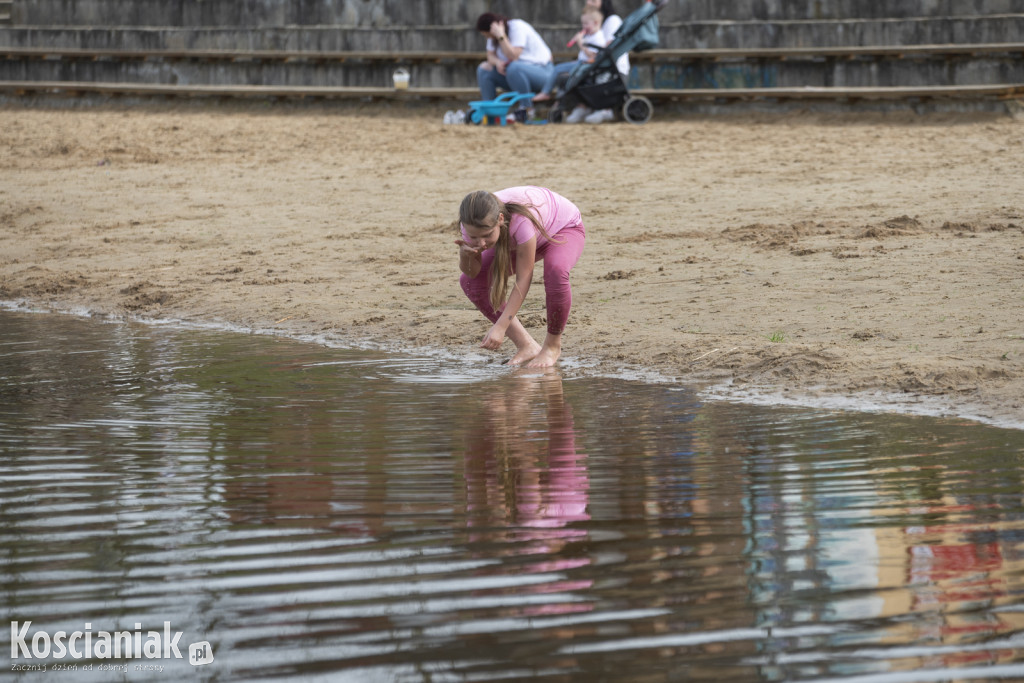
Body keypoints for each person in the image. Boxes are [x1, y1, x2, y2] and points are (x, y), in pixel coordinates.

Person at [455, 186, 586, 368]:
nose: (481, 243)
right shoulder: (470, 226)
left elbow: (523, 279)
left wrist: (500, 327)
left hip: (562, 229)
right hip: (517, 239)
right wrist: (465, 255)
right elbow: (472, 273)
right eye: (474, 237)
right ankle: (527, 346)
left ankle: (552, 346)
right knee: (470, 282)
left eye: (486, 236)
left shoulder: (520, 222)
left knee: (555, 271)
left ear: (500, 219)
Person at [532, 7, 607, 106]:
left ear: (596, 23)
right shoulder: (590, 35)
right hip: (580, 63)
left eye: (586, 23)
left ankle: (546, 92)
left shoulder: (598, 37)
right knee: (561, 76)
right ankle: (559, 101)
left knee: (557, 69)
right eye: (582, 23)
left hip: (585, 66)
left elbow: (592, 55)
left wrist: (580, 42)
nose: (583, 26)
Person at [475, 12, 554, 101]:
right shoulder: (492, 37)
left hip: (543, 74)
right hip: (515, 77)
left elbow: (513, 57)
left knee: (513, 66)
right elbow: (490, 56)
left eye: (488, 35)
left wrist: (501, 36)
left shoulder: (517, 27)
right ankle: (489, 110)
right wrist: (498, 62)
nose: (488, 38)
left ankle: (525, 109)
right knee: (484, 69)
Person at [578, 0, 629, 124]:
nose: (589, 2)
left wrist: (582, 44)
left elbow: (607, 48)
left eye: (593, 0)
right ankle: (584, 107)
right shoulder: (601, 22)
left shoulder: (612, 20)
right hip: (602, 64)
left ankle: (603, 109)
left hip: (613, 68)